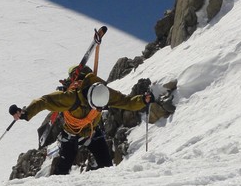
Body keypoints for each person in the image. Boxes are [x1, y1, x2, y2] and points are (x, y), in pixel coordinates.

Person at [9, 68, 151, 175]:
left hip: (91, 132)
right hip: (71, 134)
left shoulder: (104, 94)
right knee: (62, 170)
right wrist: (25, 113)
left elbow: (126, 102)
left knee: (107, 165)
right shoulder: (70, 98)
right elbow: (44, 101)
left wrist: (143, 101)